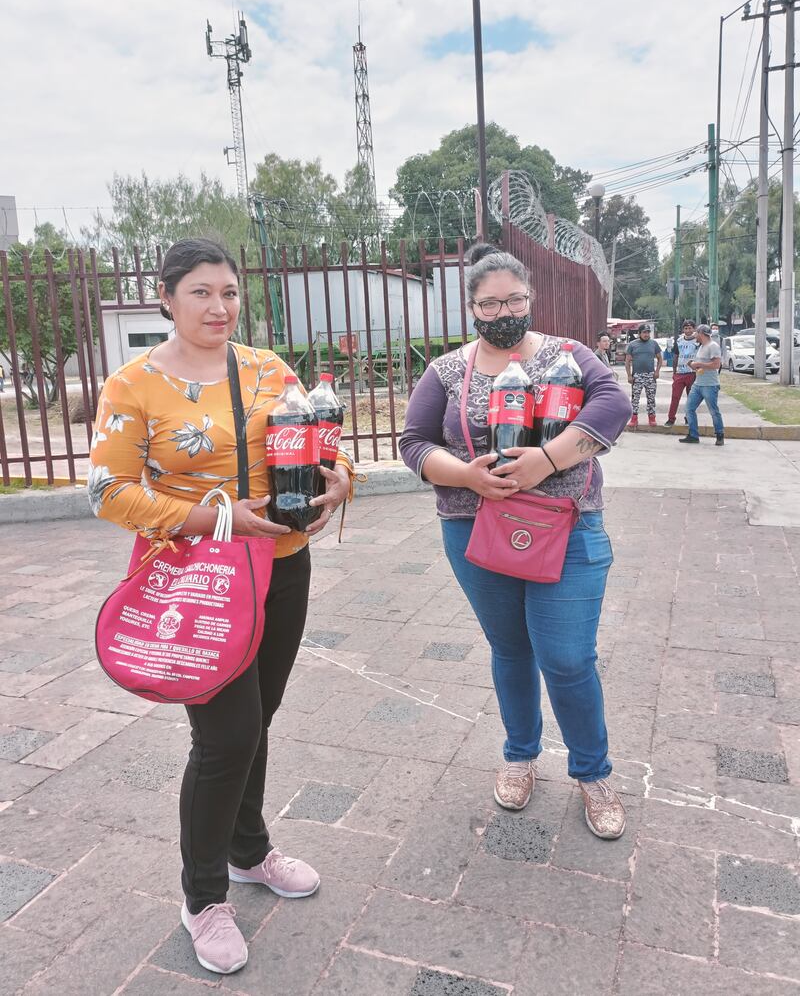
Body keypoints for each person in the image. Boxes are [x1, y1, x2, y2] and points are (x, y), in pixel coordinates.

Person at [88, 238, 356, 975]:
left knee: (257, 718)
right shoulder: (134, 384)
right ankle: (203, 897)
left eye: (229, 292)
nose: (219, 306)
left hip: (283, 570)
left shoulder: (270, 370)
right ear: (167, 298)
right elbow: (107, 491)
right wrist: (220, 518)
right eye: (201, 292)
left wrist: (340, 480)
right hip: (199, 576)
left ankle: (247, 852)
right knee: (226, 736)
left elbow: (318, 443)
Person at [399, 244, 631, 840]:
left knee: (568, 657)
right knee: (510, 650)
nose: (504, 309)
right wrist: (468, 474)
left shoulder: (568, 357)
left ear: (531, 298)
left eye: (514, 298)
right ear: (471, 307)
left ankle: (593, 773)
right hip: (476, 529)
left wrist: (545, 461)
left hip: (569, 525)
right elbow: (414, 442)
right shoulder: (448, 371)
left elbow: (613, 403)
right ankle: (520, 756)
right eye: (490, 302)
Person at [679, 323, 724, 446]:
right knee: (689, 408)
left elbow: (716, 365)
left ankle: (720, 434)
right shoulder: (701, 347)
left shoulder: (713, 346)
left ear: (701, 334)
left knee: (713, 411)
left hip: (710, 385)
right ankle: (693, 435)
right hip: (698, 383)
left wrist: (699, 365)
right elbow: (702, 365)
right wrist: (693, 365)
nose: (695, 336)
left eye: (696, 333)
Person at [624, 323, 662, 429]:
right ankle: (634, 418)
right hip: (637, 375)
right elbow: (627, 361)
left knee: (651, 397)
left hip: (650, 375)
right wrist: (629, 375)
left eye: (648, 332)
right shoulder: (632, 344)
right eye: (644, 332)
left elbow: (660, 358)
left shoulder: (654, 344)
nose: (646, 334)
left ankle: (652, 417)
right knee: (635, 398)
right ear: (639, 333)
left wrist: (657, 371)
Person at [665, 320, 698, 427]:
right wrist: (674, 371)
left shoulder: (698, 340)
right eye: (686, 328)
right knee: (675, 397)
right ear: (683, 329)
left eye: (690, 328)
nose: (688, 330)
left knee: (691, 398)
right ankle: (671, 418)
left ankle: (688, 417)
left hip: (692, 373)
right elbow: (675, 356)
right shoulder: (679, 341)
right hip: (680, 373)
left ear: (694, 329)